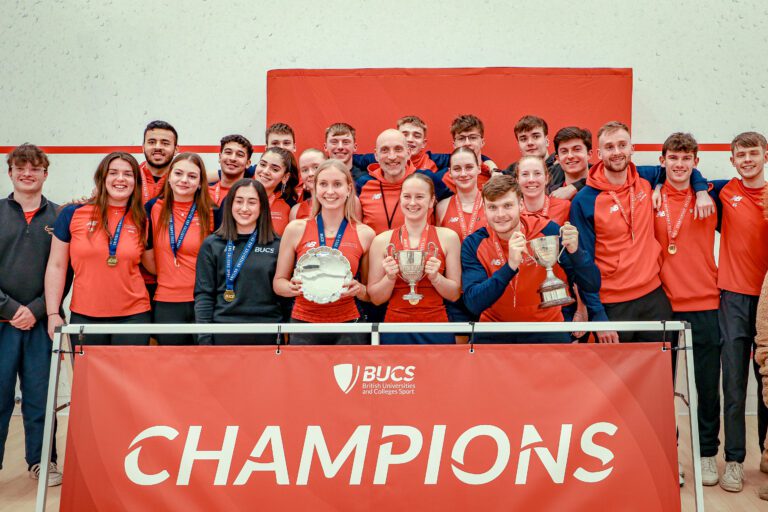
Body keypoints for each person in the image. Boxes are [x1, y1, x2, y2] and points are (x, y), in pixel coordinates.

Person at [569, 121, 712, 343]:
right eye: (609, 147)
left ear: (632, 149)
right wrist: (598, 316)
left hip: (654, 297)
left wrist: (701, 190)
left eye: (622, 145)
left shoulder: (647, 177)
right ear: (598, 153)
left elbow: (682, 165)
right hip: (613, 303)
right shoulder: (584, 201)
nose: (617, 152)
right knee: (618, 377)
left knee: (660, 374)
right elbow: (583, 264)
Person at [651, 133, 722, 485]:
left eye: (686, 159)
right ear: (662, 161)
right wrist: (656, 182)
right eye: (673, 158)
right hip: (663, 304)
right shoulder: (647, 196)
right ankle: (668, 454)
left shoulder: (714, 194)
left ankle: (707, 454)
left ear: (696, 161)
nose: (680, 165)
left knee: (707, 387)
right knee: (661, 388)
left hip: (707, 302)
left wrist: (701, 187)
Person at [462, 175, 600, 343]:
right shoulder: (474, 243)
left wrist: (576, 252)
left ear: (521, 205)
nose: (500, 214)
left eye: (507, 206)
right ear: (484, 209)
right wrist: (510, 266)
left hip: (546, 327)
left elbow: (592, 284)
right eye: (492, 207)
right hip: (495, 330)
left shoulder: (547, 230)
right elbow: (473, 303)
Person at [708, 131, 768, 492]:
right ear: (732, 160)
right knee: (733, 383)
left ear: (765, 155)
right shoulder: (723, 191)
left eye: (752, 153)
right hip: (732, 298)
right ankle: (733, 460)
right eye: (740, 154)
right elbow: (678, 175)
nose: (746, 160)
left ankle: (766, 451)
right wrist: (700, 188)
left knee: (767, 383)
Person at [0, 144, 62, 486]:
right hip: (2, 323)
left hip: (41, 325)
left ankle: (43, 462)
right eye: (20, 167)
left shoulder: (58, 217)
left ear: (45, 174)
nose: (27, 173)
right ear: (10, 172)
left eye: (35, 168)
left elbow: (64, 272)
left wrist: (37, 309)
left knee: (41, 395)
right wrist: (10, 309)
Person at [45, 152, 152, 345]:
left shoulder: (142, 220)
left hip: (133, 317)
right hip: (85, 316)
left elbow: (154, 267)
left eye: (128, 174)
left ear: (136, 181)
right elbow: (57, 266)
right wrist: (53, 312)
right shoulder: (72, 213)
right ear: (102, 178)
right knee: (89, 376)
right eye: (113, 173)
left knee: (129, 376)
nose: (120, 179)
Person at [274, 159, 375, 344]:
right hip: (303, 322)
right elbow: (278, 283)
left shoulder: (365, 234)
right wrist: (291, 288)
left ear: (349, 189)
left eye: (337, 184)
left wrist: (359, 289)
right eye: (323, 184)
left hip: (349, 324)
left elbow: (370, 293)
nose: (330, 191)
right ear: (314, 188)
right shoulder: (295, 229)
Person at [367, 173, 461, 344]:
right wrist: (389, 278)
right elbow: (375, 298)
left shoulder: (449, 237)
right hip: (395, 327)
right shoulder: (381, 241)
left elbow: (454, 294)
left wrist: (436, 278)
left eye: (419, 197)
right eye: (407, 196)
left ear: (432, 201)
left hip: (437, 327)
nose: (412, 203)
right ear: (400, 198)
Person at [194, 179, 285, 345]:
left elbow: (286, 300)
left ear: (262, 207)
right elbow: (204, 296)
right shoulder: (212, 244)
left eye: (252, 202)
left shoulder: (278, 246)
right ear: (230, 205)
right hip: (224, 331)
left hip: (267, 331)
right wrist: (205, 339)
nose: (244, 208)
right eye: (239, 201)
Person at [144, 153, 214, 345]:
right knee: (171, 367)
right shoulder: (152, 208)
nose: (184, 180)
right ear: (169, 178)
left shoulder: (212, 212)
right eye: (179, 174)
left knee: (206, 365)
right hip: (167, 301)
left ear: (200, 183)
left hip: (204, 301)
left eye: (192, 176)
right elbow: (147, 256)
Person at [356, 129, 447, 236]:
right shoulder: (363, 184)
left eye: (398, 149)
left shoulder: (427, 178)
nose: (392, 157)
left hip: (420, 251)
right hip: (376, 251)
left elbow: (453, 200)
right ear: (376, 155)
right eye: (385, 150)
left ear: (408, 153)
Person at [441, 114, 495, 193]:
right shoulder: (445, 180)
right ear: (454, 144)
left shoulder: (494, 175)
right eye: (461, 138)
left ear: (482, 142)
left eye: (473, 137)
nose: (467, 143)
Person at [253, 146, 298, 235]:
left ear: (285, 177)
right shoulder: (238, 197)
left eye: (275, 169)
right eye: (262, 164)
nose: (265, 171)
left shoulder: (291, 206)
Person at [516, 155, 571, 225]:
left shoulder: (565, 207)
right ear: (517, 180)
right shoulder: (512, 212)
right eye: (525, 174)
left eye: (537, 173)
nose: (531, 179)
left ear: (546, 178)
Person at [139, 120, 178, 204]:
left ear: (176, 149)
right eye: (152, 142)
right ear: (143, 147)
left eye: (165, 143)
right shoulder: (130, 176)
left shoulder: (183, 179)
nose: (157, 147)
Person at [208, 134, 252, 208]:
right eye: (228, 152)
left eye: (240, 155)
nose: (232, 158)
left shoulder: (253, 196)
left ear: (247, 163)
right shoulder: (203, 194)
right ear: (220, 157)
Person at [290, 148, 325, 221]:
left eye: (316, 167)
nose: (310, 174)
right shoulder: (296, 211)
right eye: (305, 170)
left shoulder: (346, 204)